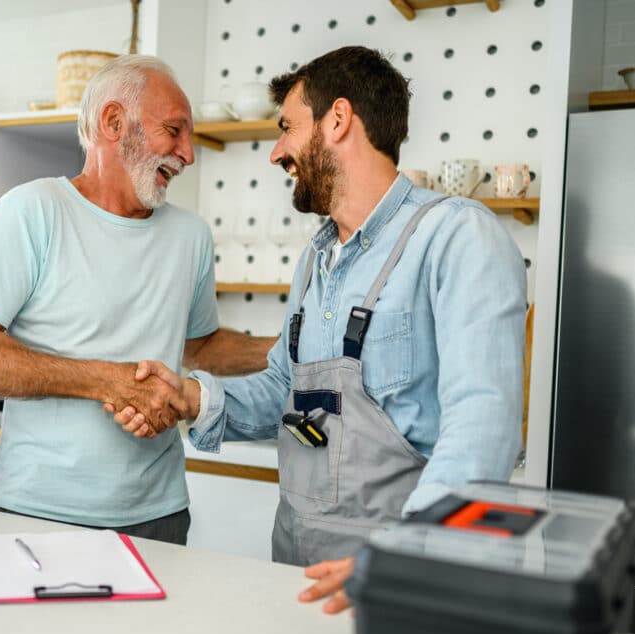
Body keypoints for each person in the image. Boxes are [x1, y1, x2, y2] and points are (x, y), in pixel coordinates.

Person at [115, 45, 527, 601]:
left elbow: (484, 428)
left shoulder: (456, 237)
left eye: (287, 127)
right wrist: (194, 399)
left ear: (338, 119)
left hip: (401, 584)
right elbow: (289, 393)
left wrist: (406, 556)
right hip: (297, 566)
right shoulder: (317, 258)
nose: (277, 152)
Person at [0, 55, 274, 544]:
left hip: (161, 514)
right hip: (36, 513)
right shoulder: (33, 211)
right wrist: (106, 382)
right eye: (174, 131)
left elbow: (199, 348)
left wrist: (290, 348)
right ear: (113, 122)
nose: (188, 154)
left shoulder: (191, 236)